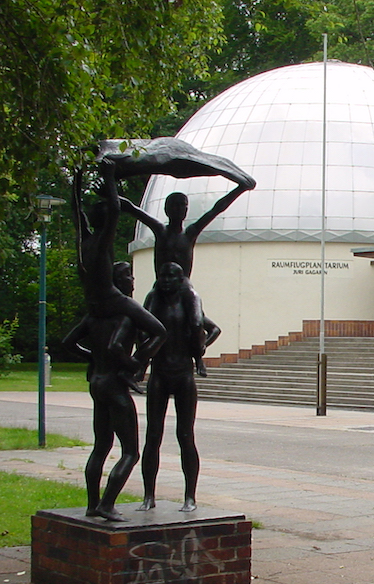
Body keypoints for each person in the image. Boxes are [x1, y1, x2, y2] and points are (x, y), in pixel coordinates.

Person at [120, 176, 253, 376]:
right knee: (143, 323)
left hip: (184, 287)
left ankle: (198, 358)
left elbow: (217, 209)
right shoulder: (160, 230)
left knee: (196, 322)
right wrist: (112, 194)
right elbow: (132, 209)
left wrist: (240, 189)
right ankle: (144, 362)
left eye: (182, 205)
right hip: (160, 287)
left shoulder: (190, 233)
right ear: (166, 209)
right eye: (174, 205)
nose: (178, 209)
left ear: (186, 210)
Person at [62, 262, 146, 521]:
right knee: (131, 452)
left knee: (101, 446)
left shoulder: (95, 316)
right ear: (117, 283)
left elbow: (68, 342)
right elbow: (117, 347)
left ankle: (92, 504)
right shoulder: (125, 315)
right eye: (127, 276)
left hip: (97, 383)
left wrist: (92, 358)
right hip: (114, 385)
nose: (132, 279)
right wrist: (132, 366)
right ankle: (107, 504)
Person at [73, 159, 166, 377]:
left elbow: (76, 210)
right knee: (160, 331)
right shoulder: (102, 242)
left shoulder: (84, 241)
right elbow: (115, 209)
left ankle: (98, 360)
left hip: (94, 303)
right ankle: (134, 365)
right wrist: (109, 176)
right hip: (111, 300)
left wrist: (77, 178)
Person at [139, 262, 215, 513]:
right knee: (153, 435)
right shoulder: (154, 299)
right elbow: (143, 328)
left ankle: (190, 496)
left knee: (185, 435)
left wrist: (199, 353)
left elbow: (203, 326)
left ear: (181, 279)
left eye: (172, 277)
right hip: (160, 373)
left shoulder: (190, 299)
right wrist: (141, 360)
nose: (166, 281)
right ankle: (148, 495)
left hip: (183, 373)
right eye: (162, 276)